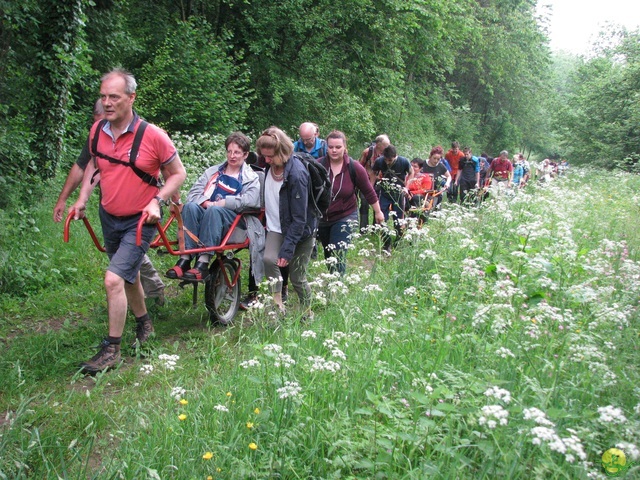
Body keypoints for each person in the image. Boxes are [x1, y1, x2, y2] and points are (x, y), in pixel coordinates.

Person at [70, 69, 186, 374]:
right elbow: (96, 163)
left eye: (115, 97)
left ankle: (112, 349)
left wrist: (157, 200)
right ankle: (145, 325)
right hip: (109, 216)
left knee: (113, 279)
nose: (107, 103)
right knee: (129, 276)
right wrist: (82, 198)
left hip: (141, 221)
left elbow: (178, 174)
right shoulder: (98, 132)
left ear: (131, 98)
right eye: (103, 96)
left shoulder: (153, 135)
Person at [53, 100, 166, 305]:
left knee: (121, 267)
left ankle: (150, 299)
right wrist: (70, 200)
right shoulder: (98, 135)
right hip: (111, 212)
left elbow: (170, 171)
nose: (103, 128)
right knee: (122, 261)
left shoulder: (146, 134)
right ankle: (142, 313)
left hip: (141, 211)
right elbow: (85, 166)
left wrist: (170, 203)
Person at [165, 132, 261, 281]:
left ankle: (203, 262)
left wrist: (224, 202)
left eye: (237, 152)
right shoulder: (213, 172)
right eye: (229, 151)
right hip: (208, 212)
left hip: (233, 219)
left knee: (214, 210)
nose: (232, 156)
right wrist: (205, 202)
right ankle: (185, 258)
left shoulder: (250, 177)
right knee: (190, 206)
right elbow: (194, 192)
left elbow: (251, 200)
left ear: (245, 154)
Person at [257, 126, 316, 316]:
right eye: (264, 156)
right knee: (268, 260)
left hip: (301, 231)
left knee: (297, 277)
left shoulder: (297, 175)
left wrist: (288, 248)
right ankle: (278, 306)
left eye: (270, 156)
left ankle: (307, 311)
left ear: (282, 152)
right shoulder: (269, 164)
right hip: (276, 227)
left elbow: (300, 219)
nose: (266, 161)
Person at [317, 131, 384, 274]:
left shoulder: (354, 167)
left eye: (338, 147)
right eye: (331, 147)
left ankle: (336, 290)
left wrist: (378, 212)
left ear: (344, 147)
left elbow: (368, 191)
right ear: (326, 148)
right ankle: (333, 279)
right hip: (323, 217)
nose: (334, 150)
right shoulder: (318, 165)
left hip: (345, 215)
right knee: (329, 254)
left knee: (338, 252)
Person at [372, 144, 411, 252]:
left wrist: (406, 188)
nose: (387, 162)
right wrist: (372, 187)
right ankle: (386, 242)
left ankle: (398, 241)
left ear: (395, 156)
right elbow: (373, 173)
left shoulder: (404, 161)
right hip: (384, 193)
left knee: (399, 220)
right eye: (386, 160)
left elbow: (411, 173)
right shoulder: (379, 161)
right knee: (381, 218)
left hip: (398, 194)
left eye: (390, 160)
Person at [358, 134, 390, 231]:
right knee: (364, 203)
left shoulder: (387, 154)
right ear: (379, 144)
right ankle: (363, 228)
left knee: (378, 205)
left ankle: (375, 229)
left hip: (380, 183)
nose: (387, 147)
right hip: (366, 182)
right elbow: (360, 166)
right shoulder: (368, 152)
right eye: (385, 145)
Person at [421, 146, 452, 211]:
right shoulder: (423, 164)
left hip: (435, 191)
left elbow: (449, 176)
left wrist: (447, 183)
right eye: (434, 158)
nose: (436, 161)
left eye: (438, 159)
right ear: (430, 156)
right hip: (423, 190)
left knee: (433, 208)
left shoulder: (440, 166)